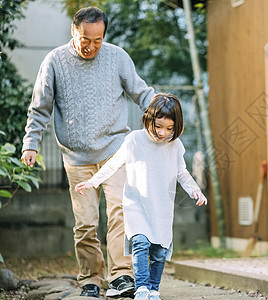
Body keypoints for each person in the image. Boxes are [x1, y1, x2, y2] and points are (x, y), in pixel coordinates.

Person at [21, 6, 156, 298]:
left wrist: (162, 109)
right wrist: (31, 143)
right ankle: (90, 278)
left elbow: (141, 93)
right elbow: (40, 108)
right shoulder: (54, 61)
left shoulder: (117, 57)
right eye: (85, 39)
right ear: (74, 31)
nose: (91, 46)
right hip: (77, 158)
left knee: (120, 213)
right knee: (85, 223)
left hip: (115, 151)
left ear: (104, 35)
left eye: (97, 40)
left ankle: (121, 275)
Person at [75, 93, 208, 300]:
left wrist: (194, 190)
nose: (163, 133)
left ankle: (154, 289)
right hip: (136, 205)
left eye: (169, 128)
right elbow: (114, 163)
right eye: (158, 126)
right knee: (140, 243)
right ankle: (142, 288)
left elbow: (182, 172)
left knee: (159, 252)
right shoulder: (135, 140)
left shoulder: (175, 146)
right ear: (149, 118)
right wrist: (93, 181)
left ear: (176, 126)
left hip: (161, 208)